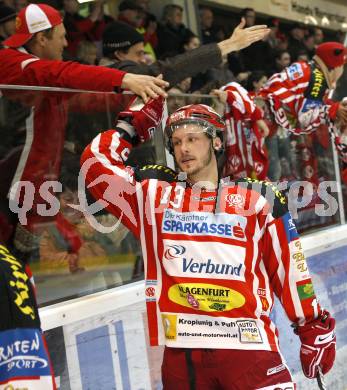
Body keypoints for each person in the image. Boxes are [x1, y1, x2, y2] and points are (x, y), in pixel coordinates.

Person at [81, 95, 336, 388]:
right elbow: (94, 165)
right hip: (183, 356)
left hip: (249, 348)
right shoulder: (153, 196)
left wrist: (311, 324)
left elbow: (289, 268)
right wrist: (130, 128)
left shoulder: (259, 198)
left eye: (192, 139)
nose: (184, 148)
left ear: (216, 142)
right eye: (176, 143)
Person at [0, 3, 168, 257]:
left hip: (35, 187)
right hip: (11, 188)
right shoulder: (11, 62)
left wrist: (128, 96)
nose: (67, 43)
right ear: (42, 39)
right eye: (61, 36)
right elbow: (61, 73)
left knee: (32, 266)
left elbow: (83, 99)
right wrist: (123, 79)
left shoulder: (43, 76)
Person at [260, 41, 347, 182]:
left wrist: (332, 106)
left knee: (279, 170)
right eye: (342, 66)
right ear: (334, 66)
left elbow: (307, 103)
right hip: (267, 122)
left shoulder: (308, 69)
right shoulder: (318, 81)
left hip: (266, 118)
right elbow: (305, 118)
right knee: (272, 171)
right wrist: (332, 110)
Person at [100, 18, 269, 91]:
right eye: (138, 54)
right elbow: (170, 69)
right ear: (120, 55)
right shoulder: (116, 74)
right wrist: (229, 44)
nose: (143, 59)